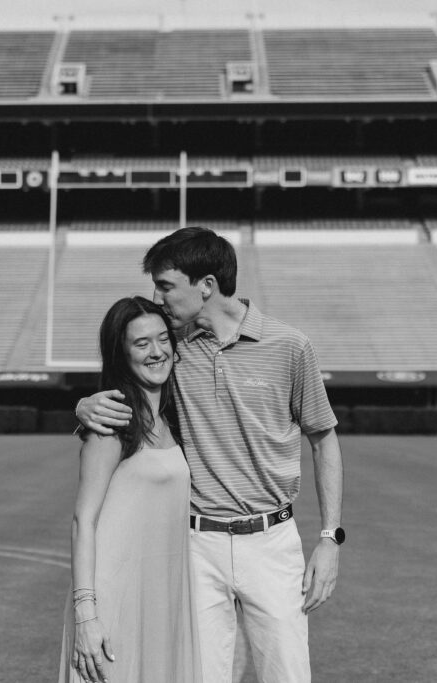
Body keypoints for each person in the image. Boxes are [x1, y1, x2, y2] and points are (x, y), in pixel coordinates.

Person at [77, 227, 344, 683]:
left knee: (288, 676)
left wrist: (329, 538)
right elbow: (130, 382)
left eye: (166, 285)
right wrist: (83, 405)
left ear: (206, 285)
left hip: (272, 543)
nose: (158, 298)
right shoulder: (172, 347)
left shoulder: (290, 345)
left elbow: (324, 440)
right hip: (195, 546)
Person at [58, 296, 202, 683]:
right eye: (141, 343)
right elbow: (83, 521)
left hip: (162, 594)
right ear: (121, 354)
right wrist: (86, 614)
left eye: (163, 339)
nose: (157, 351)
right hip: (113, 596)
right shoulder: (111, 423)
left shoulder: (174, 419)